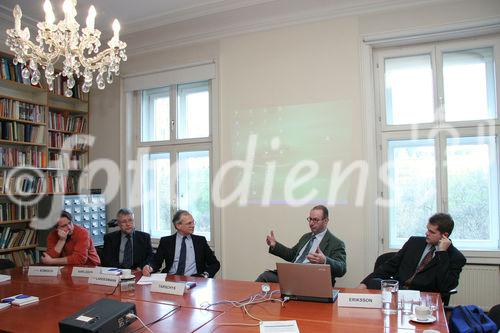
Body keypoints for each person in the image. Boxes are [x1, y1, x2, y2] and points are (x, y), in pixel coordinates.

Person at [357, 213, 466, 294]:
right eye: (427, 229)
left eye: (432, 232)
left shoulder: (456, 257)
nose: (427, 233)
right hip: (398, 289)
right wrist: (364, 283)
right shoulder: (414, 242)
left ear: (445, 235)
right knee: (373, 282)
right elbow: (390, 265)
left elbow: (445, 286)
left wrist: (442, 253)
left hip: (423, 295)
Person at [255, 205, 347, 286]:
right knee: (266, 276)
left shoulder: (336, 243)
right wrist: (275, 245)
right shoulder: (306, 237)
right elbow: (291, 255)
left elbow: (342, 268)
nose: (311, 223)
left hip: (312, 282)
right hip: (292, 276)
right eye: (310, 219)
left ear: (326, 221)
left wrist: (325, 260)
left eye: (315, 220)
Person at [142, 210, 220, 278]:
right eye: (189, 223)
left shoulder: (200, 241)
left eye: (193, 222)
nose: (193, 225)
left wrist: (205, 275)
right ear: (178, 225)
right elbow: (156, 261)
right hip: (171, 278)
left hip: (194, 280)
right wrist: (150, 267)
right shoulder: (166, 241)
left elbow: (215, 264)